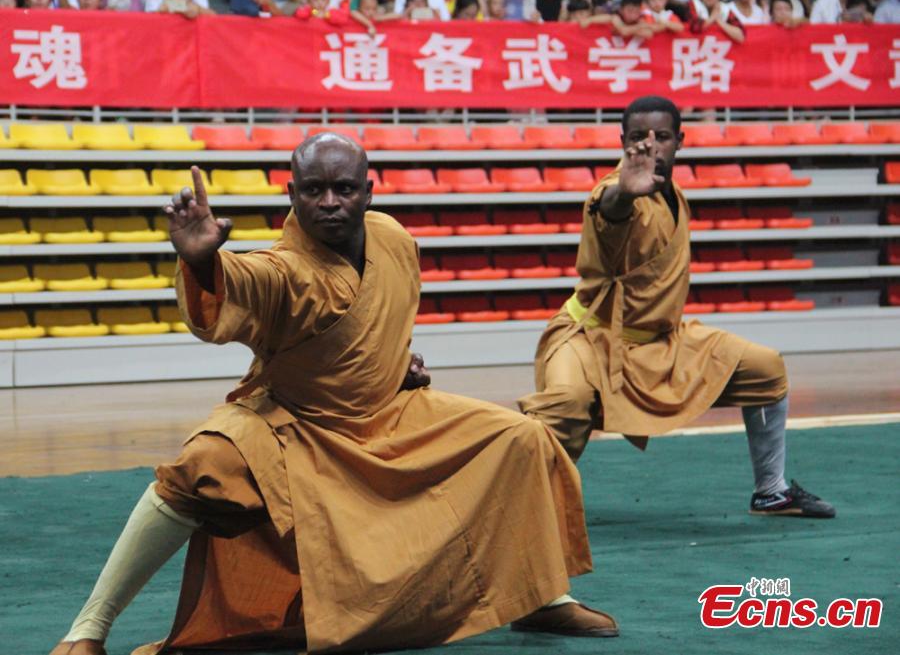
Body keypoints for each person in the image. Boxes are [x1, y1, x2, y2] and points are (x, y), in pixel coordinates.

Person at [49, 134, 616, 655]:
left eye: (343, 189)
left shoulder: (394, 239)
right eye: (313, 190)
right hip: (297, 423)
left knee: (521, 438)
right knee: (205, 464)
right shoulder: (284, 268)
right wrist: (202, 259)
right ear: (291, 194)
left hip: (390, 412)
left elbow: (386, 318)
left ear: (369, 192)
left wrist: (397, 363)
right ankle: (88, 629)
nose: (329, 202)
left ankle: (543, 597)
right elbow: (243, 282)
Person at [518, 96, 836, 520]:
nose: (650, 147)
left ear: (680, 141)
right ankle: (513, 507)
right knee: (566, 403)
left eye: (662, 137)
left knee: (765, 368)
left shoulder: (674, 193)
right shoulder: (613, 191)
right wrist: (622, 195)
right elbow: (609, 210)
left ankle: (771, 491)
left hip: (661, 343)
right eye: (637, 138)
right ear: (622, 142)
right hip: (589, 339)